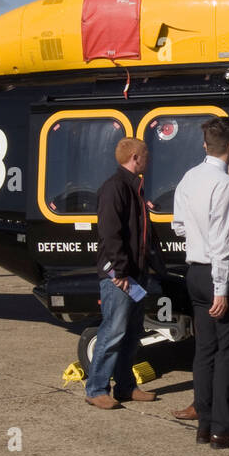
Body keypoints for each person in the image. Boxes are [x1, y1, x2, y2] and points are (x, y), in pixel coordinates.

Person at [172, 117, 229, 448]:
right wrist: (222, 286)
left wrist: (197, 236)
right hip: (222, 274)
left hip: (194, 271)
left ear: (205, 145)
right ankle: (223, 426)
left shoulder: (189, 177)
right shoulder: (223, 184)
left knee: (205, 351)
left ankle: (205, 424)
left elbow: (178, 225)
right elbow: (223, 241)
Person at [86, 137, 162, 409]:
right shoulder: (115, 188)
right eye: (145, 155)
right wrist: (119, 269)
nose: (148, 159)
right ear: (134, 157)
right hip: (120, 275)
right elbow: (109, 233)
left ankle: (126, 386)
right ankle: (96, 389)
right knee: (113, 331)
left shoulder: (133, 188)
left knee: (132, 332)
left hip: (135, 273)